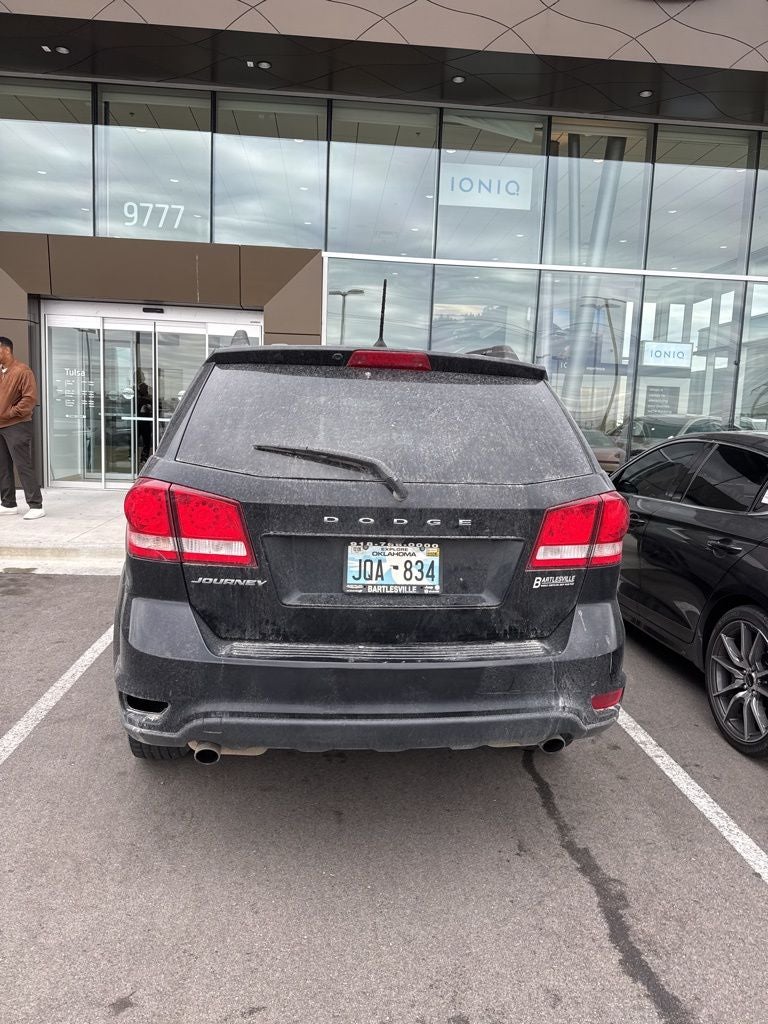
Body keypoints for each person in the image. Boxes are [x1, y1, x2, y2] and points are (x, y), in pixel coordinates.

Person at [0, 337, 45, 520]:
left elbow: (29, 399)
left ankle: (36, 505)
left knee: (23, 464)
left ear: (6, 350)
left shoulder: (23, 371)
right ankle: (8, 503)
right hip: (1, 425)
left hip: (17, 425)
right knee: (2, 466)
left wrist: (10, 413)